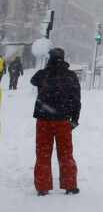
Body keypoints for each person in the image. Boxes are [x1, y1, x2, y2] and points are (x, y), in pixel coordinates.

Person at [31, 47, 82, 195]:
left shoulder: (43, 74)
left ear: (50, 58)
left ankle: (42, 187)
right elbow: (76, 99)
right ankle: (70, 185)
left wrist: (47, 70)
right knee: (66, 153)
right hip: (63, 121)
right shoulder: (71, 76)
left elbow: (33, 80)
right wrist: (75, 119)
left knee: (43, 153)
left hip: (43, 120)